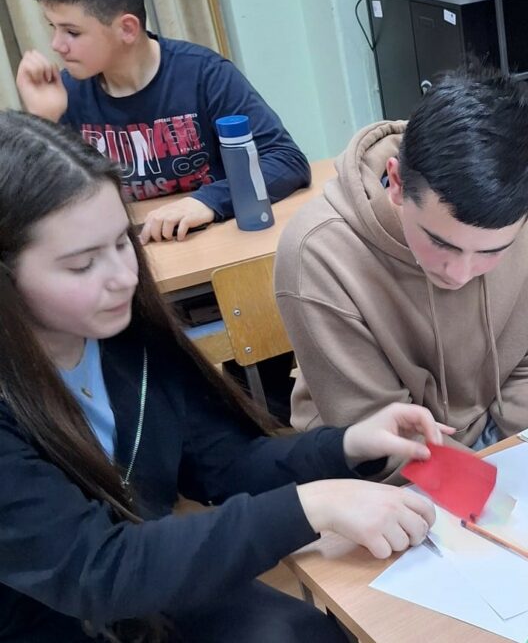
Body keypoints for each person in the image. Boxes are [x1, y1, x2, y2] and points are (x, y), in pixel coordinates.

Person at [0, 110, 446, 643]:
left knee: (305, 633)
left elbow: (228, 464)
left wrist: (347, 445)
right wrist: (312, 506)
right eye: (81, 264)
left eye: (123, 243)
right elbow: (98, 569)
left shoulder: (121, 338)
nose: (123, 277)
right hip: (53, 618)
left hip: (145, 591)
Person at [276, 70, 528, 477]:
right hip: (373, 455)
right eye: (441, 243)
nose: (460, 273)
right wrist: (489, 494)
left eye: (492, 251)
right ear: (396, 182)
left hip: (489, 421)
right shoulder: (320, 252)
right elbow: (378, 435)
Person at [14, 0, 311, 244]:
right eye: (52, 27)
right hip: (128, 256)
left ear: (127, 29)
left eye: (72, 32)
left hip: (210, 244)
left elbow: (286, 160)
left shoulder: (204, 74)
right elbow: (36, 214)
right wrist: (43, 121)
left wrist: (207, 201)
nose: (56, 45)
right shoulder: (65, 95)